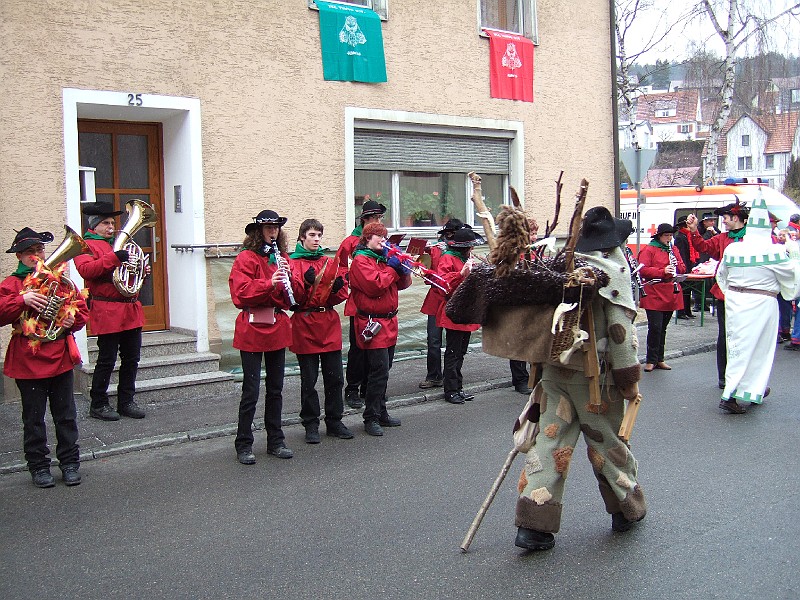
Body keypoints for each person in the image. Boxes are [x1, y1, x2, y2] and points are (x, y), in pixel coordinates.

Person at [514, 207, 645, 551]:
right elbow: (619, 334)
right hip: (595, 380)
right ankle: (626, 510)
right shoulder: (609, 274)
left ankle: (533, 525)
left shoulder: (560, 267)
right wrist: (629, 379)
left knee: (549, 444)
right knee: (608, 444)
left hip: (556, 374)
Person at [0, 228, 89, 487]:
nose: (36, 255)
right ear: (19, 256)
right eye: (30, 252)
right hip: (28, 359)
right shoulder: (12, 284)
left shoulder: (62, 282)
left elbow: (81, 312)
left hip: (59, 356)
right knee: (34, 419)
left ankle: (70, 463)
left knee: (66, 415)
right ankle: (39, 466)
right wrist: (22, 298)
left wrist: (73, 319)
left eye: (39, 250)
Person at [229, 210, 302, 464]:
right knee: (251, 390)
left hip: (276, 325)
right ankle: (243, 443)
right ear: (259, 231)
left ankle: (276, 440)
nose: (273, 231)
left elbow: (293, 297)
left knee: (276, 389)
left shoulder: (282, 257)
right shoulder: (246, 258)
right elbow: (240, 294)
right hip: (252, 327)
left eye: (276, 228)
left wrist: (293, 281)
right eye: (268, 227)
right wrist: (269, 283)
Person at [715, 197, 800, 414]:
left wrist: (732, 293)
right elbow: (790, 275)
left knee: (737, 347)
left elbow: (721, 275)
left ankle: (753, 389)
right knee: (759, 349)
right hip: (762, 303)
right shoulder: (775, 252)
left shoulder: (733, 249)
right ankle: (732, 393)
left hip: (735, 302)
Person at [74, 203, 147, 421]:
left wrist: (141, 270)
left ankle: (126, 401)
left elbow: (127, 272)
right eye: (106, 223)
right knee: (107, 359)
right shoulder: (86, 245)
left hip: (130, 308)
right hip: (107, 309)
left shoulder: (117, 243)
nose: (111, 227)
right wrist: (115, 258)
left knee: (131, 358)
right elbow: (86, 270)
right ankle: (98, 403)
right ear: (94, 225)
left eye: (113, 223)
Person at [288, 218, 353, 443]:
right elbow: (290, 298)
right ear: (302, 237)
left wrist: (336, 289)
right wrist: (305, 285)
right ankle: (311, 423)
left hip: (328, 323)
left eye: (319, 236)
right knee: (309, 380)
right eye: (312, 235)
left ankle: (335, 421)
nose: (316, 240)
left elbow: (341, 293)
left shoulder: (328, 261)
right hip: (305, 323)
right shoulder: (292, 262)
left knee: (335, 378)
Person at [348, 222, 412, 436]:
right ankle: (371, 417)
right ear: (367, 238)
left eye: (385, 236)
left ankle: (381, 410)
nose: (383, 240)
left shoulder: (382, 259)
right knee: (378, 371)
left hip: (389, 322)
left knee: (385, 370)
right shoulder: (360, 260)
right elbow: (374, 286)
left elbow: (402, 285)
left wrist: (404, 269)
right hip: (372, 324)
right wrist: (393, 268)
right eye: (379, 236)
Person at [686, 200, 749, 389]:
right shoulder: (723, 239)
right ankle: (724, 376)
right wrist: (694, 230)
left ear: (736, 218)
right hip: (725, 295)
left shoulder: (752, 239)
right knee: (724, 335)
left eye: (727, 219)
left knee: (745, 336)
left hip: (747, 296)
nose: (724, 222)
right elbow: (703, 247)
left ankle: (745, 375)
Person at [338, 199, 386, 409]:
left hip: (379, 303)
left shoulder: (381, 240)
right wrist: (356, 280)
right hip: (359, 303)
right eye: (374, 218)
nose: (377, 221)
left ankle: (370, 389)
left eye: (379, 218)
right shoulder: (350, 242)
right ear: (365, 220)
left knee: (376, 352)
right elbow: (339, 269)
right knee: (358, 349)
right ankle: (352, 388)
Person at [434, 228, 484, 404]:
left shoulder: (466, 258)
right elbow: (442, 283)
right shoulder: (448, 258)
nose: (472, 250)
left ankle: (458, 387)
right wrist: (461, 274)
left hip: (466, 311)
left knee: (461, 352)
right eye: (469, 247)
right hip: (454, 311)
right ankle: (450, 390)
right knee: (453, 352)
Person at [419, 218, 467, 389]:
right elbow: (425, 275)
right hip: (436, 298)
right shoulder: (435, 250)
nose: (450, 238)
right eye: (448, 234)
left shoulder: (463, 252)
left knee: (456, 343)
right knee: (433, 340)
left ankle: (452, 378)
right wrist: (428, 253)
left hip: (455, 299)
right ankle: (434, 376)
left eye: (453, 234)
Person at [637, 223, 685, 372]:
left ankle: (660, 359)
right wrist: (662, 271)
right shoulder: (649, 249)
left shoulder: (673, 249)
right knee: (655, 327)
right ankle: (651, 360)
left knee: (663, 327)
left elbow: (683, 267)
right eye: (666, 236)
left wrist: (676, 267)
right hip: (654, 292)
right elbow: (643, 269)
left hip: (670, 291)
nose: (669, 238)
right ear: (659, 236)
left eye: (671, 236)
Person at [510, 217, 541, 393]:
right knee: (518, 343)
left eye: (536, 233)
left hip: (534, 303)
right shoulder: (514, 253)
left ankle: (534, 376)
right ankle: (520, 379)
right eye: (532, 233)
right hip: (517, 304)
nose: (535, 237)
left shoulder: (536, 251)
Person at [673, 216, 698, 319]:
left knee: (688, 291)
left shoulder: (688, 236)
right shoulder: (680, 237)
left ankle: (687, 310)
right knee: (683, 290)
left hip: (689, 266)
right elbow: (682, 255)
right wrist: (684, 268)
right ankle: (681, 312)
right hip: (683, 268)